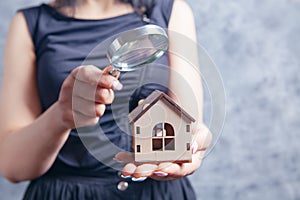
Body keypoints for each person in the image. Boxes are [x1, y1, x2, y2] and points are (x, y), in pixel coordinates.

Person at [0, 0, 212, 199]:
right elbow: (13, 167)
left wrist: (191, 144)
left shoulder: (172, 10)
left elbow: (187, 125)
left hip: (157, 192)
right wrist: (62, 115)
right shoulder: (30, 23)